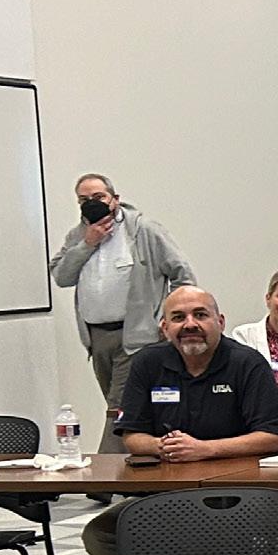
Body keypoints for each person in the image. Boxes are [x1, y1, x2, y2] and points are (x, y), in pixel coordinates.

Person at [84, 287, 278, 555]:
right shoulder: (147, 363)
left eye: (200, 315)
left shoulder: (247, 363)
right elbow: (132, 435)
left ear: (220, 322)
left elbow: (272, 436)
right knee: (101, 534)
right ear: (165, 328)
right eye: (178, 317)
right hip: (165, 492)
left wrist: (203, 449)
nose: (190, 324)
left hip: (234, 493)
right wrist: (163, 446)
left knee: (208, 538)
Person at [49, 173, 198, 416]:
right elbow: (61, 276)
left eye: (98, 197)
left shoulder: (143, 230)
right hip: (97, 338)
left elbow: (182, 274)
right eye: (84, 200)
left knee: (119, 409)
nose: (91, 203)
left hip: (136, 336)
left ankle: (110, 444)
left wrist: (169, 318)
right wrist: (87, 244)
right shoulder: (78, 235)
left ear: (115, 198)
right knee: (128, 408)